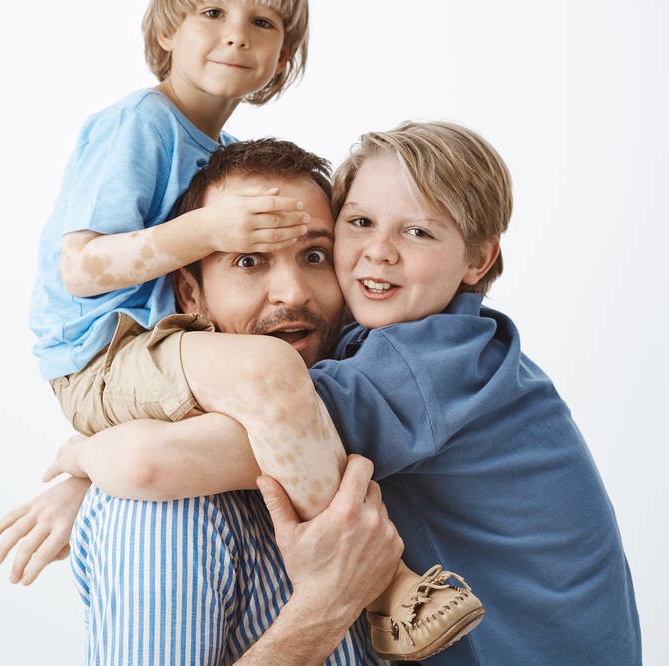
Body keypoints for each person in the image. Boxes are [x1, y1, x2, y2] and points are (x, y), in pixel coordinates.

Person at [47, 122, 644, 663]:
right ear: (188, 294)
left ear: (478, 259)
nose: (377, 252)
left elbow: (153, 460)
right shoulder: (385, 342)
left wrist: (80, 458)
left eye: (313, 254)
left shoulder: (422, 366)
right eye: (359, 224)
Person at [28, 0, 475, 655]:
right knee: (263, 370)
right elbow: (80, 269)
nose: (236, 34)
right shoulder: (140, 125)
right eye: (211, 12)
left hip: (152, 358)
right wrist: (206, 227)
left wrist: (89, 468)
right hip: (98, 353)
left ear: (283, 55)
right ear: (165, 33)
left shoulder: (220, 150)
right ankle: (384, 578)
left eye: (260, 21)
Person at [0, 138, 403, 664]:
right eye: (249, 260)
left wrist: (90, 464)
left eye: (315, 256)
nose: (292, 292)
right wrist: (327, 606)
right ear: (189, 294)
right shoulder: (162, 513)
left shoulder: (382, 398)